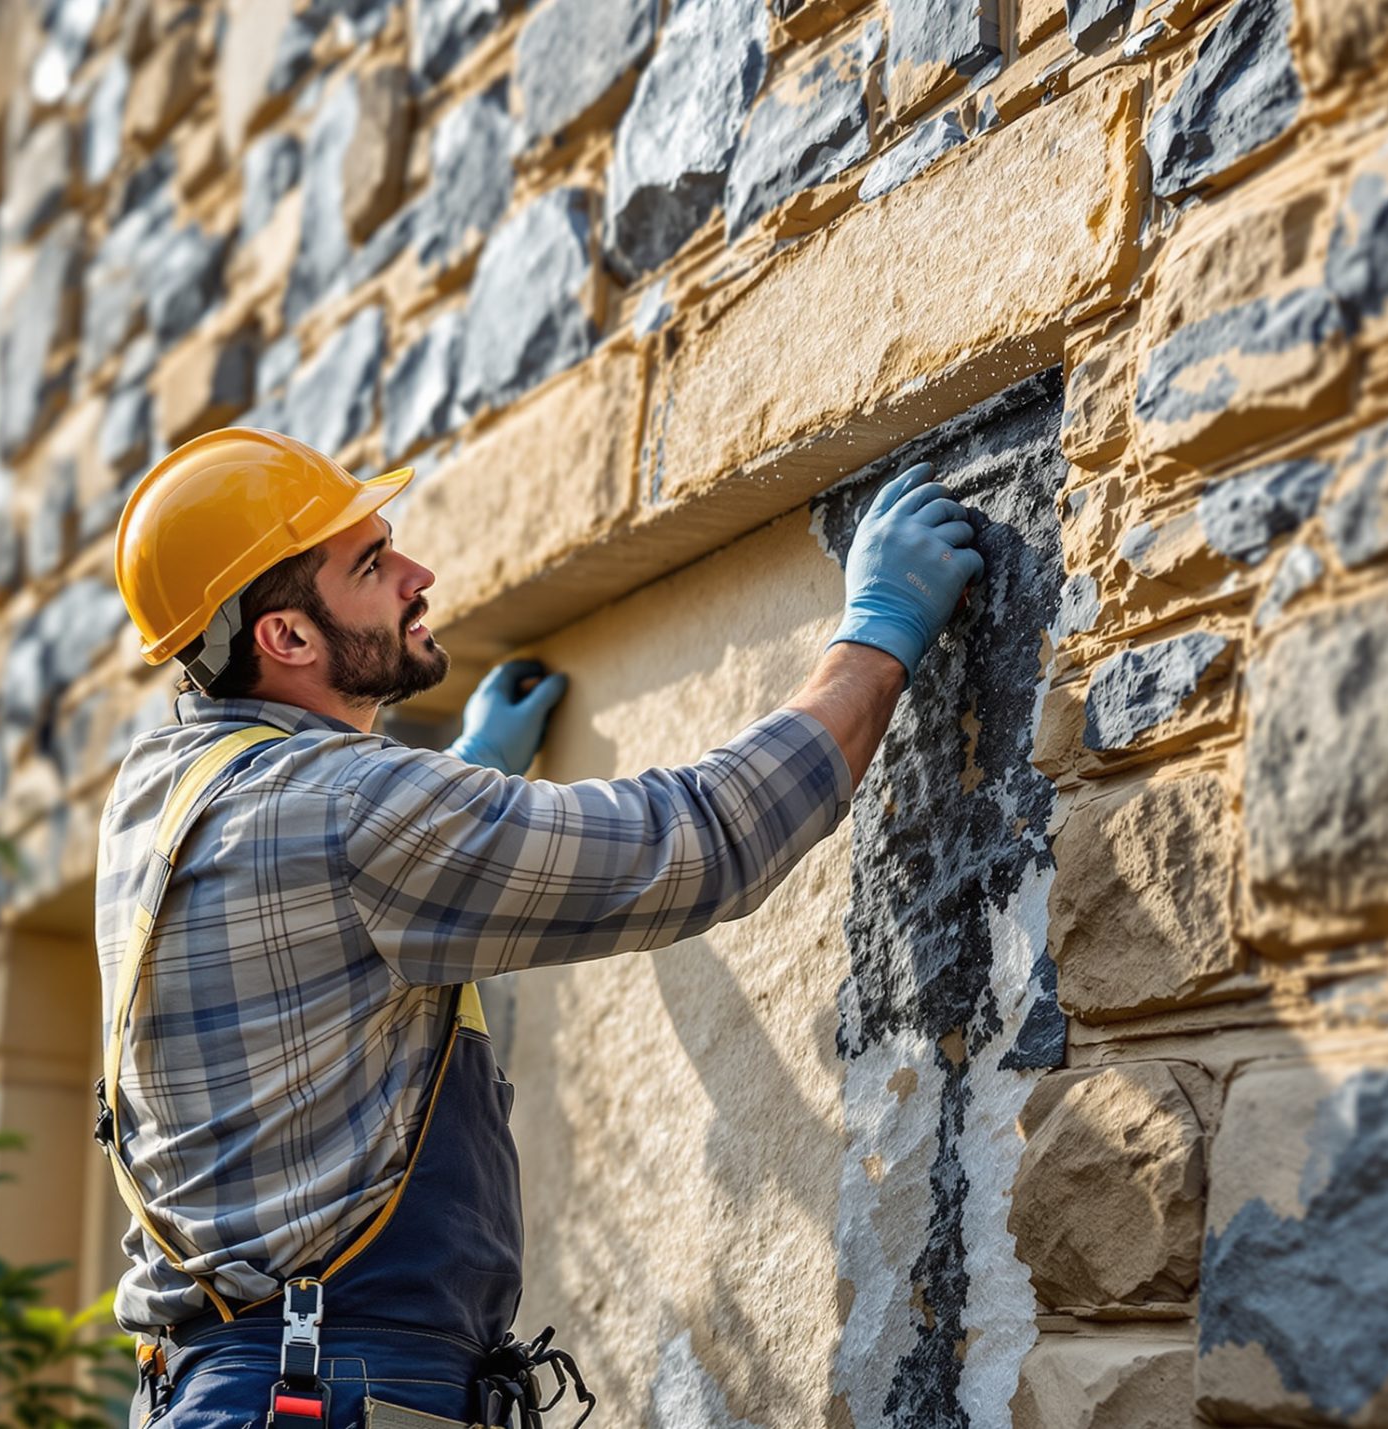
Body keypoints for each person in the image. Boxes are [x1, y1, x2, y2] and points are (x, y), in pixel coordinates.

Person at [96, 427, 982, 1428]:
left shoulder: (159, 795)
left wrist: (471, 767)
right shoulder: (346, 810)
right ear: (288, 639)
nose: (417, 575)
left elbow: (312, 915)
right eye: (373, 565)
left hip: (226, 1384)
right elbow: (689, 845)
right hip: (325, 1391)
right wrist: (876, 636)